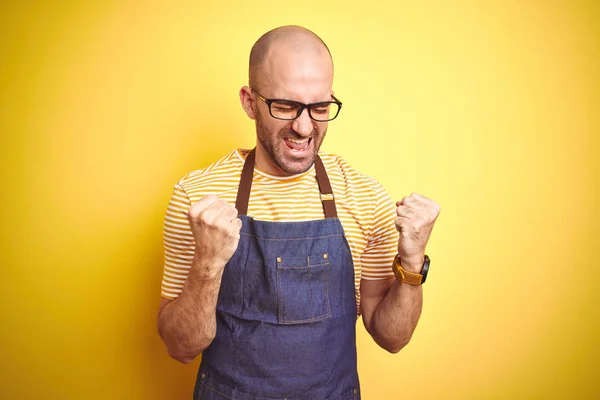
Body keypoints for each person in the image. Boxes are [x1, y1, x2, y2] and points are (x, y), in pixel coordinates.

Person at [157, 25, 440, 400]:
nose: (304, 127)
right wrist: (207, 265)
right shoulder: (198, 197)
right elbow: (180, 348)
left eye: (320, 107)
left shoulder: (366, 196)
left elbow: (392, 337)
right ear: (248, 101)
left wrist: (412, 262)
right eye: (285, 106)